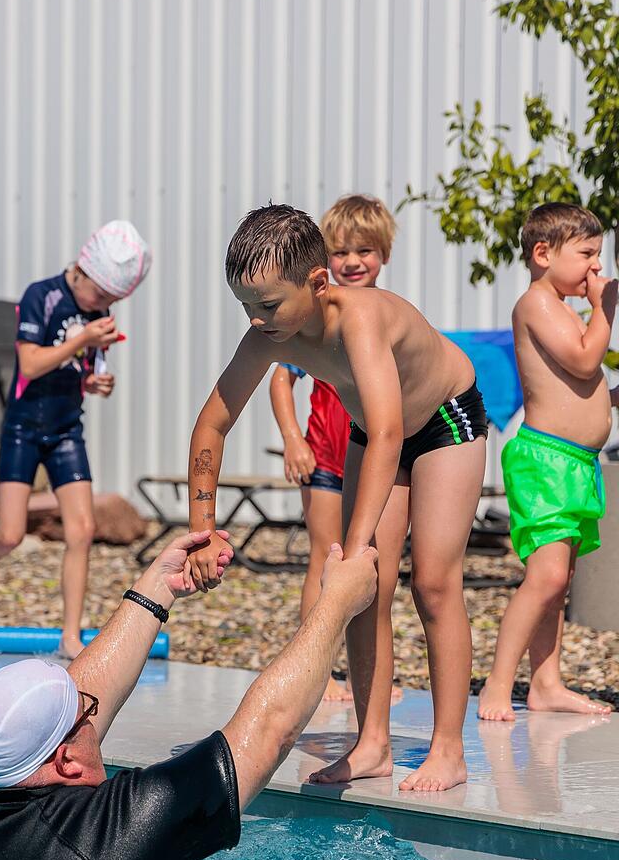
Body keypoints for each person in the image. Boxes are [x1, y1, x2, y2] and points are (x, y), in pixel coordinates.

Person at [0, 531, 378, 860]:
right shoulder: (110, 835)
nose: (92, 706)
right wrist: (336, 604)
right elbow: (270, 729)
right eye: (86, 711)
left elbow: (61, 718)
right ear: (64, 761)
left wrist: (157, 587)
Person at [186, 204, 488, 792]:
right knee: (364, 590)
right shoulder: (268, 338)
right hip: (372, 431)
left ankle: (448, 748)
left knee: (432, 582)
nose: (256, 318)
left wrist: (353, 550)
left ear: (318, 283)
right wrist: (203, 530)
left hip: (443, 421)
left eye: (268, 305)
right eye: (246, 305)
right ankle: (372, 743)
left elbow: (392, 431)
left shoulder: (360, 320)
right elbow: (211, 428)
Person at [0, 221, 152, 659]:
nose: (103, 306)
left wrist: (95, 382)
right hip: (24, 427)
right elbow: (29, 364)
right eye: (100, 296)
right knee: (9, 534)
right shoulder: (40, 296)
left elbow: (80, 371)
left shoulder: (97, 315)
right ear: (83, 269)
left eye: (112, 301)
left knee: (81, 531)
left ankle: (70, 635)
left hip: (66, 428)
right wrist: (82, 338)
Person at [478, 203, 617, 722]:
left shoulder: (563, 308)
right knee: (545, 578)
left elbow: (578, 379)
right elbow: (583, 359)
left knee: (561, 582)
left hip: (578, 464)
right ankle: (497, 683)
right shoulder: (535, 303)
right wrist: (608, 308)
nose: (596, 269)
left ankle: (546, 682)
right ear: (543, 253)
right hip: (544, 463)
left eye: (598, 256)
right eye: (586, 255)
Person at [269, 194, 397, 701]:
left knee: (370, 563)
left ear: (382, 254)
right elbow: (283, 381)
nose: (352, 262)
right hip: (325, 453)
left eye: (363, 251)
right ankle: (316, 671)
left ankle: (364, 674)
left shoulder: (386, 314)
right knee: (326, 557)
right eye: (340, 252)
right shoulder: (319, 318)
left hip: (374, 458)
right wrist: (292, 440)